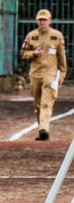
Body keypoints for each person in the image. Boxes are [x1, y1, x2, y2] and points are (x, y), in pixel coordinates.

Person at [20, 9, 67, 141]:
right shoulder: (31, 35)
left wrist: (62, 72)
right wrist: (32, 54)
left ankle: (43, 129)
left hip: (50, 73)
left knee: (47, 102)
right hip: (35, 73)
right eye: (40, 19)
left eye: (45, 19)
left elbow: (61, 56)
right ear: (36, 21)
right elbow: (23, 53)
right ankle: (42, 126)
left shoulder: (57, 35)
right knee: (38, 104)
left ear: (50, 21)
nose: (42, 22)